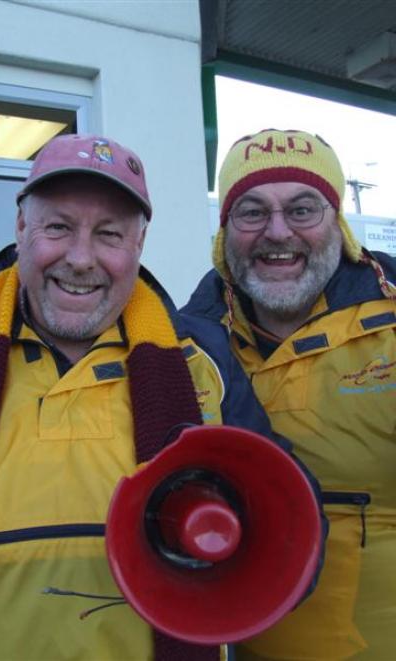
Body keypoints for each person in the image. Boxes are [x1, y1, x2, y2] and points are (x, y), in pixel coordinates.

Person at [0, 134, 304, 661]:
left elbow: (285, 507)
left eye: (109, 234)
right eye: (59, 227)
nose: (81, 258)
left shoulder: (205, 359)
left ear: (138, 246)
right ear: (22, 229)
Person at [182, 128, 396, 660]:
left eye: (303, 209)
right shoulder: (184, 345)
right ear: (225, 230)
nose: (278, 233)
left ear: (339, 224)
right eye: (251, 212)